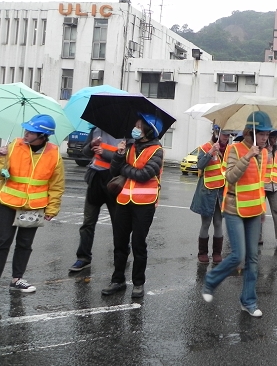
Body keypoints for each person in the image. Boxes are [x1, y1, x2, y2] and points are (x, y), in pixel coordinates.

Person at [201, 111, 272, 318]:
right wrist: (248, 156)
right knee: (238, 255)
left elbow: (261, 184)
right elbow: (230, 177)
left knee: (253, 259)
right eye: (262, 134)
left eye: (267, 134)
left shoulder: (265, 153)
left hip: (254, 210)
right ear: (251, 131)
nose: (265, 138)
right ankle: (211, 281)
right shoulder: (234, 149)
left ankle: (248, 302)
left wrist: (262, 210)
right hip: (234, 208)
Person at [101, 113, 164, 299]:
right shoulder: (129, 146)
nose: (135, 129)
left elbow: (144, 174)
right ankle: (117, 280)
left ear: (148, 130)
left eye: (139, 126)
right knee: (119, 243)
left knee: (138, 244)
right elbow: (113, 171)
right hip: (123, 200)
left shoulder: (156, 150)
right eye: (135, 125)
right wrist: (119, 155)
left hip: (144, 203)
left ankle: (138, 283)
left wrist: (123, 168)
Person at [0, 114, 65, 292]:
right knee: (2, 241)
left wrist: (52, 207)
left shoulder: (53, 153)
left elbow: (56, 184)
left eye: (31, 132)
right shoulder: (13, 146)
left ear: (42, 136)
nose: (26, 134)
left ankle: (17, 279)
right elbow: (1, 173)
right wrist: (0, 158)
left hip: (34, 206)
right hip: (7, 202)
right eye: (26, 130)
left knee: (24, 244)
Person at [69, 127, 122, 272]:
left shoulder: (125, 135)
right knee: (88, 222)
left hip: (114, 182)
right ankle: (83, 258)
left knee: (118, 224)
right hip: (95, 180)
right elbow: (85, 153)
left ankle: (121, 256)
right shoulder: (95, 130)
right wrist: (91, 146)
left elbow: (125, 159)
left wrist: (104, 153)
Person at [190, 125, 228, 264]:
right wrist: (211, 152)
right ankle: (203, 253)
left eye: (229, 135)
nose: (226, 138)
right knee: (205, 223)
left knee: (218, 222)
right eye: (224, 134)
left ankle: (217, 253)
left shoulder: (228, 151)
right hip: (207, 192)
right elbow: (200, 165)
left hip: (221, 193)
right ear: (216, 134)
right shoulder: (205, 147)